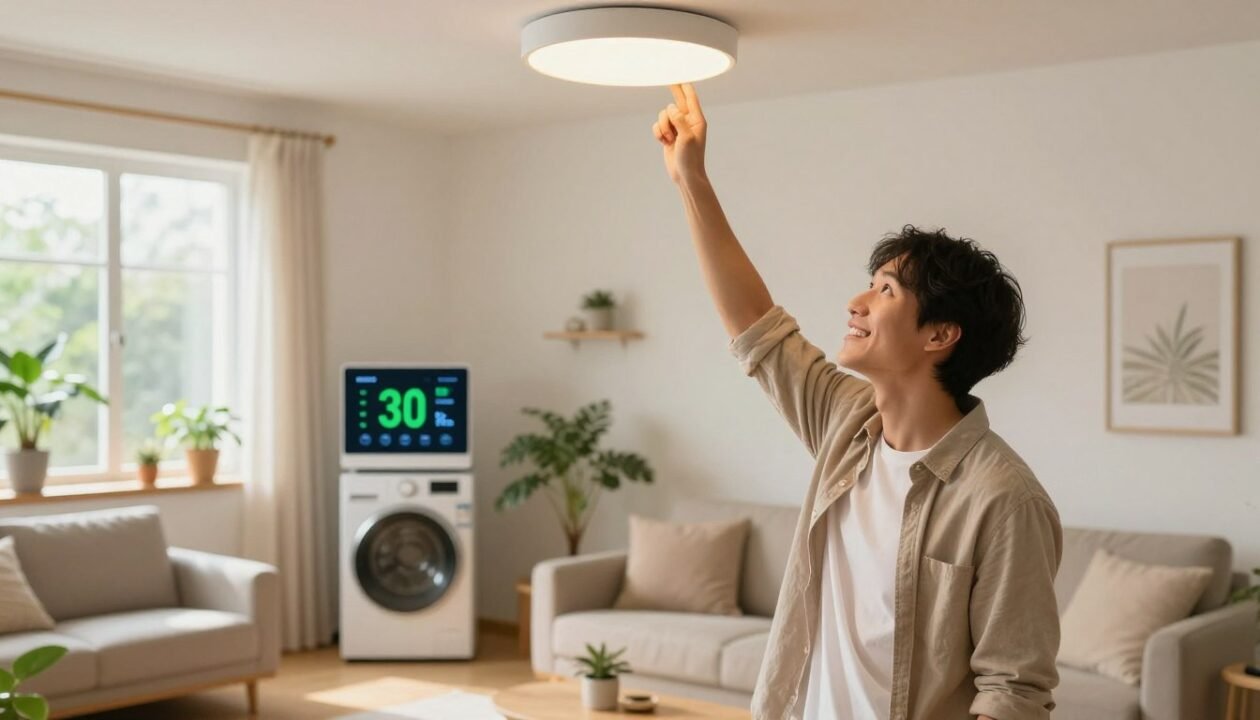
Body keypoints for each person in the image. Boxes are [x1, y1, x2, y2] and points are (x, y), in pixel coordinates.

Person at [651, 83, 1062, 720]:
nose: (857, 302)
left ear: (939, 335)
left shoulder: (1004, 499)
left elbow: (1013, 691)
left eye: (886, 291)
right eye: (869, 285)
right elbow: (756, 328)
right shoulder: (847, 422)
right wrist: (691, 181)